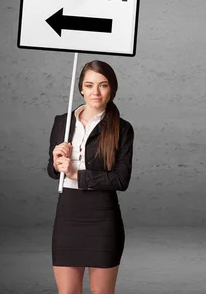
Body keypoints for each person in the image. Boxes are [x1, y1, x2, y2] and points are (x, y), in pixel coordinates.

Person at [47, 60, 134, 294]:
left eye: (103, 85)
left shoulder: (122, 129)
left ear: (112, 89)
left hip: (103, 218)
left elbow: (120, 180)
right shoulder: (62, 122)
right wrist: (56, 163)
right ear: (81, 88)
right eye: (89, 85)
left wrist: (77, 174)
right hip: (68, 214)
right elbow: (52, 170)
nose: (95, 92)